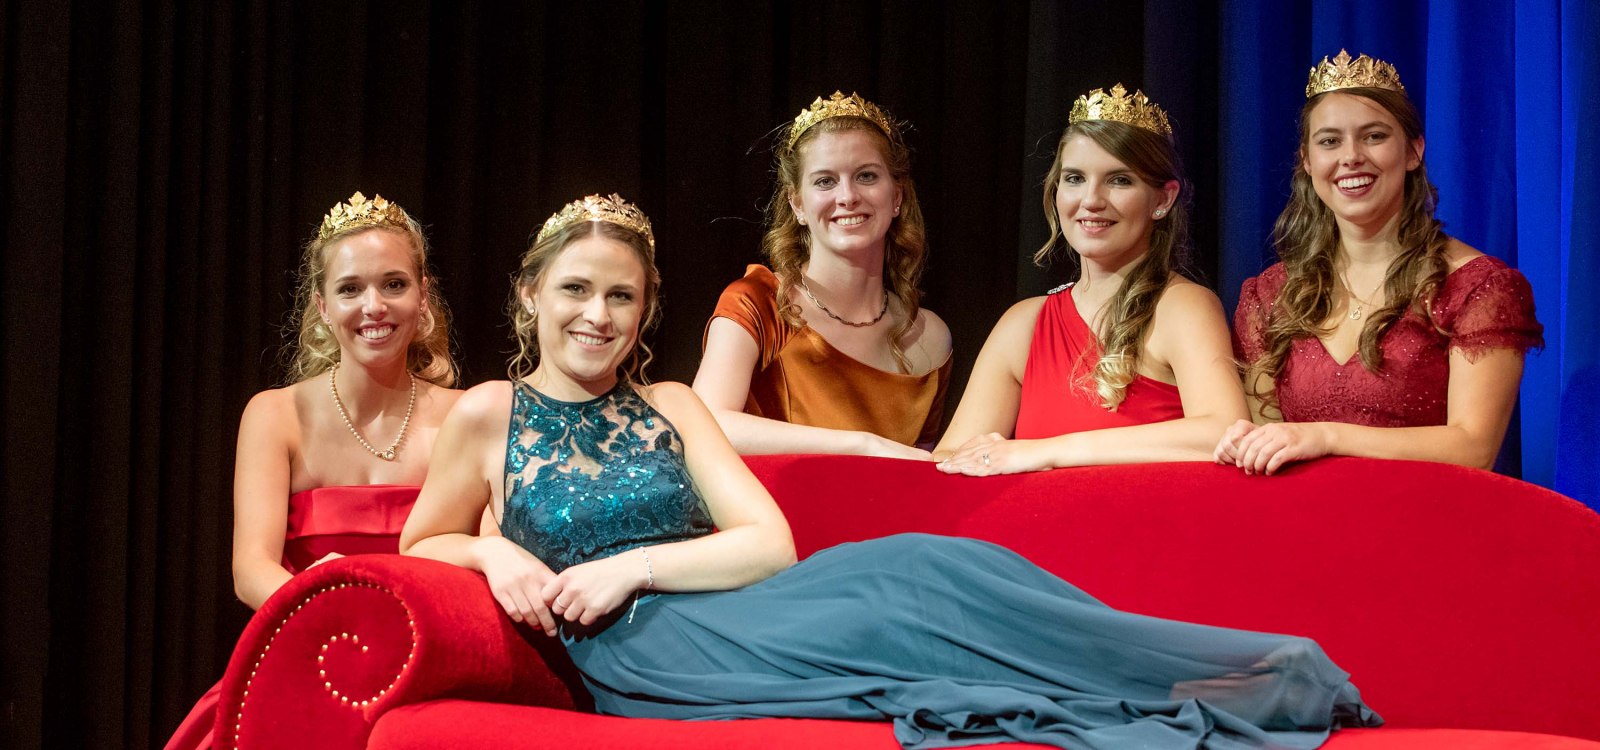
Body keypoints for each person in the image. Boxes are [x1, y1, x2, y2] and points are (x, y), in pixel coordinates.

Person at [400, 193, 1379, 750]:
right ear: (530, 294)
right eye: (576, 290)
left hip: (744, 603)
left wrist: (629, 567)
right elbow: (422, 540)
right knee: (914, 623)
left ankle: (1236, 675)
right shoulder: (487, 413)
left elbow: (768, 546)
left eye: (622, 296)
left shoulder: (671, 406)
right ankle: (1210, 691)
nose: (598, 315)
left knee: (933, 567)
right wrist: (492, 556)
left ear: (645, 309)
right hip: (654, 655)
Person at [164, 192, 463, 750]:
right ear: (323, 307)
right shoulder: (275, 414)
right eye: (350, 289)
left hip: (427, 680)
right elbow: (250, 569)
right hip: (303, 664)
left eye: (393, 284)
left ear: (423, 296)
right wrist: (325, 607)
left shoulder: (466, 417)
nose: (374, 306)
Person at [1216, 51, 1543, 475]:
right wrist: (1244, 445)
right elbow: (1269, 443)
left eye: (1373, 136)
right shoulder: (1270, 295)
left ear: (1413, 151)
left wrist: (1326, 436)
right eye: (1330, 141)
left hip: (1427, 512)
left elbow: (1473, 447)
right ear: (1307, 161)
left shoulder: (1479, 288)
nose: (1351, 156)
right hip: (1303, 514)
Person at [935, 85, 1246, 475]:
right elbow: (950, 460)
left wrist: (1048, 451)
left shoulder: (1182, 306)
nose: (1092, 200)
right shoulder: (1024, 324)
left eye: (1119, 180)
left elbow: (1224, 432)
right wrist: (866, 445)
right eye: (1075, 178)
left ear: (1162, 200)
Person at [692, 92, 951, 458]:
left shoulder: (929, 337)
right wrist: (862, 444)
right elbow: (705, 426)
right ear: (797, 204)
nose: (847, 196)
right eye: (825, 181)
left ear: (897, 196)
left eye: (866, 176)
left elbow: (925, 472)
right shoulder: (758, 302)